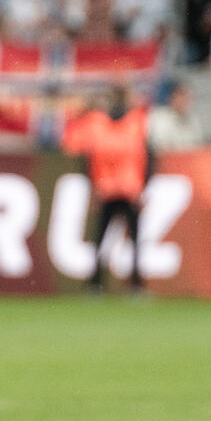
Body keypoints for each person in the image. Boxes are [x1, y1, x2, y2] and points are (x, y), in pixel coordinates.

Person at [63, 83, 152, 292]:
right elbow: (145, 157)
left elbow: (87, 158)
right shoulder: (128, 122)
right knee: (109, 239)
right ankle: (104, 284)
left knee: (121, 240)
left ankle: (118, 284)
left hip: (120, 189)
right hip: (118, 189)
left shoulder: (110, 122)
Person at [147, 82, 204, 152]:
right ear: (172, 97)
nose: (185, 100)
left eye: (188, 97)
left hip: (190, 157)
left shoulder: (192, 118)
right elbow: (160, 147)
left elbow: (197, 145)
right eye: (181, 96)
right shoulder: (160, 116)